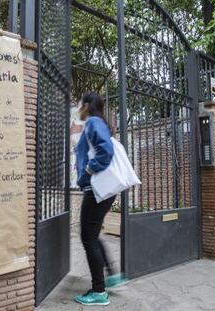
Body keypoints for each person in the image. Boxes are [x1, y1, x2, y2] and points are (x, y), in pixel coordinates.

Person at [74, 93, 126, 306]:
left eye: (80, 103)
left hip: (96, 189)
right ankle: (111, 275)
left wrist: (89, 169)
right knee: (93, 235)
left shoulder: (93, 122)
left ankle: (98, 291)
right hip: (100, 190)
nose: (78, 107)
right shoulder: (98, 123)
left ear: (86, 105)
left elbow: (105, 151)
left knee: (88, 237)